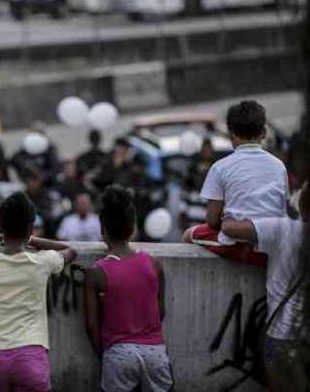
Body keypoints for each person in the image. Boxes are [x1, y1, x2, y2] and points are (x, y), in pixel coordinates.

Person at [0, 192, 78, 392]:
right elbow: (70, 250)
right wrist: (33, 239)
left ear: (0, 226)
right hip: (31, 357)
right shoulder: (43, 262)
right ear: (30, 226)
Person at [220, 181, 310, 392]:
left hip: (282, 338)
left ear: (302, 204)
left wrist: (228, 213)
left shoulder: (283, 229)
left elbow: (229, 229)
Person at [84, 185, 173, 392]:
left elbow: (91, 325)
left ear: (102, 229)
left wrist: (106, 354)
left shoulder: (96, 272)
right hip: (156, 353)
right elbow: (160, 312)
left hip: (118, 353)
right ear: (133, 227)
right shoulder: (154, 264)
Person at [183, 101, 289, 267]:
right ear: (263, 133)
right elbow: (282, 208)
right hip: (272, 246)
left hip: (239, 246)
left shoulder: (220, 167)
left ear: (231, 134)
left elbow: (212, 220)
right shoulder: (279, 166)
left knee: (188, 234)